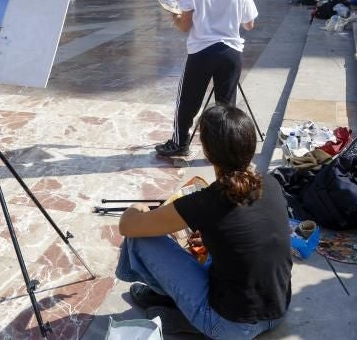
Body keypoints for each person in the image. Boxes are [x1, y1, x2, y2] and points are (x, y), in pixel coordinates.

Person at [118, 105, 291, 337]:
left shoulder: (205, 202)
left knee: (140, 240)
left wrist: (137, 208)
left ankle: (181, 309)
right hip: (277, 311)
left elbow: (128, 227)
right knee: (214, 249)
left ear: (208, 153)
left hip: (231, 327)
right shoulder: (270, 182)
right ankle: (181, 305)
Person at [155, 0, 258, 157]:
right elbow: (249, 25)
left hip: (201, 53)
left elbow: (184, 26)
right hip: (230, 53)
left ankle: (180, 143)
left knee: (189, 100)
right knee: (226, 106)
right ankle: (225, 151)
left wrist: (174, 16)